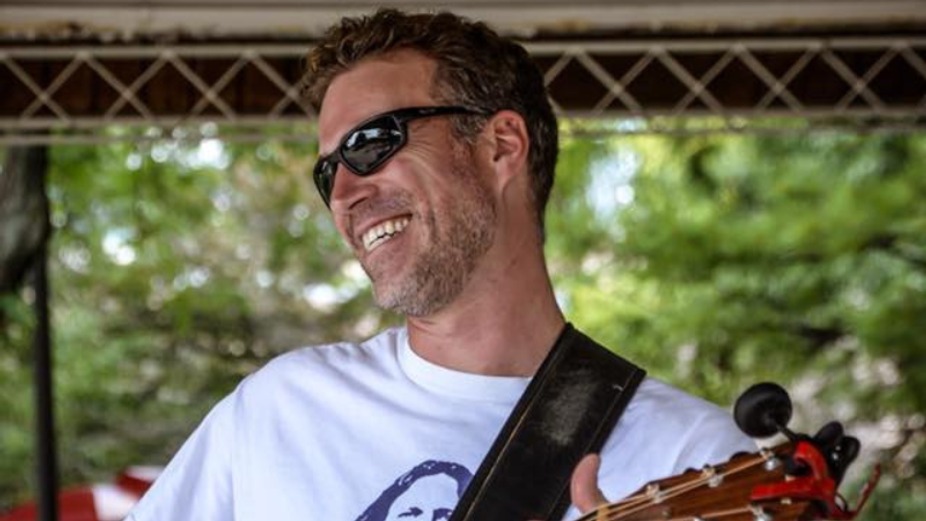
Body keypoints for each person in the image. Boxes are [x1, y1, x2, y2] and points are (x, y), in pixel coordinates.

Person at [127, 8, 756, 521]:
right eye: (327, 172)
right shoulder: (276, 412)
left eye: (371, 143)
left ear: (500, 145)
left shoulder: (693, 459)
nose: (343, 194)